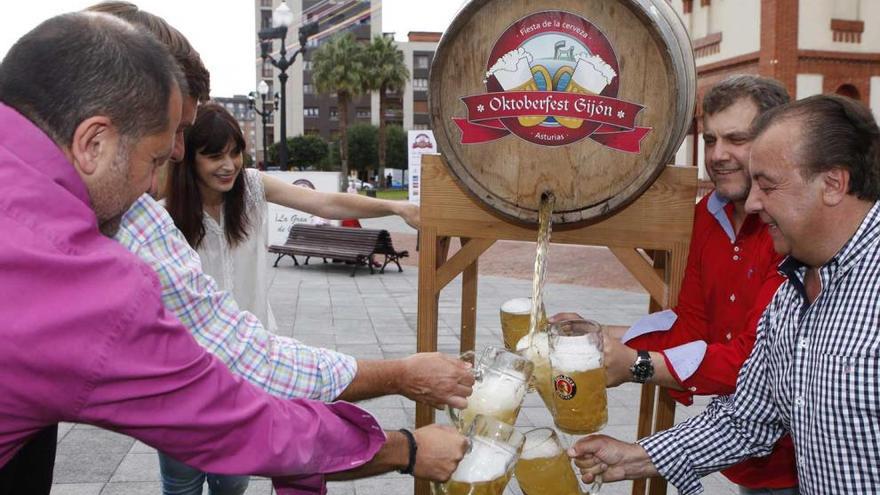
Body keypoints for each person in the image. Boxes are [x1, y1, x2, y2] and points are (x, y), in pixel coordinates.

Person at [0, 11, 466, 495]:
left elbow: (322, 206)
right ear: (94, 142)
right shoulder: (75, 275)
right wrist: (404, 447)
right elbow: (230, 417)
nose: (172, 163)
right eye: (159, 154)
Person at [569, 94, 880, 494]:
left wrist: (638, 363)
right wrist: (633, 456)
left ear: (833, 184)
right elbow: (746, 418)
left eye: (767, 186)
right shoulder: (794, 293)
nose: (753, 202)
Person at [165, 103, 417, 329]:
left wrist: (396, 207)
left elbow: (326, 203)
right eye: (215, 156)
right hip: (198, 352)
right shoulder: (166, 213)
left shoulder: (251, 186)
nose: (229, 165)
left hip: (254, 340)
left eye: (235, 153)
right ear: (190, 159)